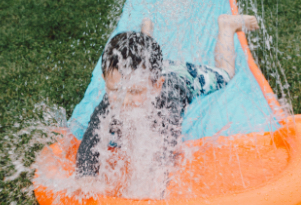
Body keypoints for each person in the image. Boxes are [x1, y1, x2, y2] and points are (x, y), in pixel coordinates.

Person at [75, 15, 259, 179]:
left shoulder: (167, 104)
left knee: (226, 74)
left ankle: (226, 26)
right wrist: (86, 178)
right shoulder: (113, 100)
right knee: (144, 65)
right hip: (147, 74)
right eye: (115, 90)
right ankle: (145, 34)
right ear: (105, 81)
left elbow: (164, 152)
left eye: (135, 92)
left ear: (157, 87)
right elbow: (90, 142)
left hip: (182, 77)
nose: (124, 101)